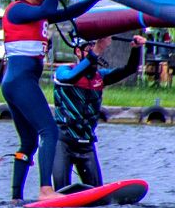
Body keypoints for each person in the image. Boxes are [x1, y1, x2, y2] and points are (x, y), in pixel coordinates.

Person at [2, 0, 100, 201]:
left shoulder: (36, 14)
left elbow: (68, 12)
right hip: (19, 82)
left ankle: (16, 197)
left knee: (28, 141)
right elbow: (48, 9)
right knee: (49, 131)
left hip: (17, 83)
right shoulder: (17, 9)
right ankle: (46, 190)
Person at [52, 34, 145, 190]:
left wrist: (136, 49)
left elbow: (130, 69)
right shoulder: (64, 72)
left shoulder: (100, 77)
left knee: (96, 197)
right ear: (78, 52)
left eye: (96, 49)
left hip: (86, 144)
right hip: (63, 142)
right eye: (89, 50)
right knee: (61, 192)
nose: (95, 52)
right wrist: (97, 50)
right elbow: (70, 78)